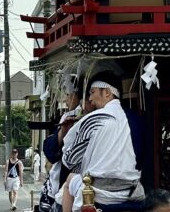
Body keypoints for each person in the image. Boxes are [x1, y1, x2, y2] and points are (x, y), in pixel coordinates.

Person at [60, 72, 145, 211]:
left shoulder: (94, 118)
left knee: (69, 179)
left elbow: (70, 160)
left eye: (92, 92)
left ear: (107, 92)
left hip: (99, 192)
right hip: (131, 190)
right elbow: (141, 157)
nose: (90, 99)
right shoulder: (136, 119)